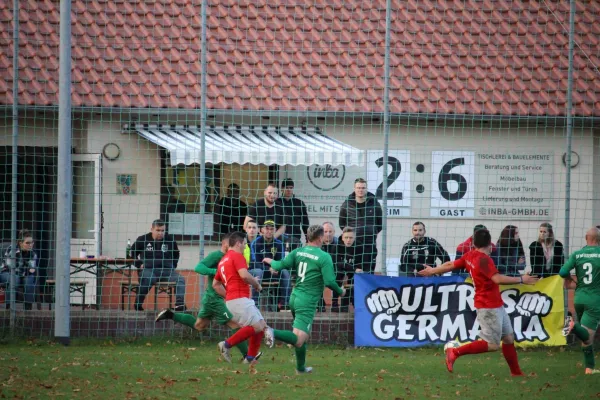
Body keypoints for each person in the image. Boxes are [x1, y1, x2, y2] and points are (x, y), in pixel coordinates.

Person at [418, 228, 538, 376]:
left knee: (508, 338)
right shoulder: (484, 260)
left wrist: (433, 270)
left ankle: (516, 373)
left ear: (474, 243)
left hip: (495, 304)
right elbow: (497, 279)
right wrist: (521, 279)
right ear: (489, 243)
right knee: (492, 345)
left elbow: (450, 265)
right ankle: (455, 352)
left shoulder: (470, 255)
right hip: (488, 306)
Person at [155, 234, 259, 363]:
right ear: (225, 244)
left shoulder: (230, 257)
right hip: (216, 298)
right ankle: (247, 356)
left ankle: (171, 315)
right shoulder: (217, 256)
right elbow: (199, 267)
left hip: (211, 297)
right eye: (230, 244)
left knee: (199, 326)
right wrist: (216, 272)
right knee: (235, 324)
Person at [262, 224, 346, 374]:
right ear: (320, 238)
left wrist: (270, 261)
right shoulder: (324, 256)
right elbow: (329, 282)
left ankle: (301, 368)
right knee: (299, 338)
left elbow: (281, 265)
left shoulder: (298, 251)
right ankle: (272, 331)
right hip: (307, 301)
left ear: (307, 237)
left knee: (300, 336)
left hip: (294, 298)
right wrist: (341, 291)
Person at [212, 232, 275, 368]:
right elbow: (244, 275)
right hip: (239, 299)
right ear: (238, 243)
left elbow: (215, 285)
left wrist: (228, 295)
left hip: (234, 300)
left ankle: (250, 358)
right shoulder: (237, 256)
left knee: (260, 325)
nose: (245, 247)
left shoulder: (223, 260)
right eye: (245, 244)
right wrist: (256, 284)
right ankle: (226, 345)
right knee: (258, 326)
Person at [559, 227, 600, 375]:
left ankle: (589, 368)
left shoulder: (577, 254)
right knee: (588, 336)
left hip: (579, 298)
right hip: (594, 299)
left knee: (585, 337)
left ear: (586, 238)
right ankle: (572, 324)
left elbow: (563, 272)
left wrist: (571, 279)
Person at [130, 219, 186, 312]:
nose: (160, 233)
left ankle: (179, 305)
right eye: (158, 230)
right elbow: (131, 253)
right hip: (148, 270)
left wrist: (173, 265)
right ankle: (138, 304)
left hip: (167, 271)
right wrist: (139, 264)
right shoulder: (142, 239)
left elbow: (176, 253)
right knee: (149, 278)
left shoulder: (170, 239)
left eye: (162, 230)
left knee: (180, 279)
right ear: (152, 229)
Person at [339, 178, 382, 273]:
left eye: (363, 188)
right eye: (358, 188)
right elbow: (342, 224)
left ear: (366, 189)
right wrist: (351, 235)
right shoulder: (347, 204)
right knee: (353, 271)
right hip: (353, 245)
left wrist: (372, 231)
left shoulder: (375, 203)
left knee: (368, 271)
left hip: (369, 244)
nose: (360, 190)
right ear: (354, 189)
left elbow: (380, 223)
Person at [249, 220, 291, 310]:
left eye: (272, 229)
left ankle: (285, 304)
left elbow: (281, 261)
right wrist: (268, 268)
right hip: (261, 272)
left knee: (285, 272)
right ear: (262, 230)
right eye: (267, 229)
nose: (269, 231)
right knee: (258, 271)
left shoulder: (279, 244)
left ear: (275, 230)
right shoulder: (255, 243)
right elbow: (254, 263)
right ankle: (254, 304)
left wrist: (275, 268)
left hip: (275, 272)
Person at [0, 229, 38, 310]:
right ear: (20, 243)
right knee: (15, 279)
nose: (30, 245)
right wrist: (26, 268)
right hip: (6, 273)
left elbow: (32, 270)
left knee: (29, 280)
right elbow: (11, 267)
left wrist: (26, 269)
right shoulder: (12, 249)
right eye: (27, 243)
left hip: (22, 274)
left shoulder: (33, 254)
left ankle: (28, 309)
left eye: (32, 242)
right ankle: (9, 308)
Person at [276, 178, 309, 250]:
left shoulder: (299, 203)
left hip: (295, 238)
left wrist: (308, 239)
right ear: (282, 189)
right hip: (279, 239)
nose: (289, 190)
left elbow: (305, 223)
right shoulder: (277, 203)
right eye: (286, 187)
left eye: (291, 188)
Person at [333, 227, 361, 312]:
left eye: (351, 237)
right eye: (346, 237)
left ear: (354, 238)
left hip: (353, 273)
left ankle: (352, 302)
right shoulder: (337, 247)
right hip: (340, 272)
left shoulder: (359, 247)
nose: (348, 240)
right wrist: (353, 268)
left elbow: (360, 265)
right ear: (342, 237)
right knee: (338, 276)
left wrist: (352, 270)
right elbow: (337, 263)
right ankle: (334, 302)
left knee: (354, 279)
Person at [319, 222, 338, 312]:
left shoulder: (339, 244)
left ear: (334, 232)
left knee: (339, 275)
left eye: (330, 231)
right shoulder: (317, 244)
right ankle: (320, 303)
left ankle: (335, 302)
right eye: (325, 231)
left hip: (335, 270)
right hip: (321, 270)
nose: (328, 234)